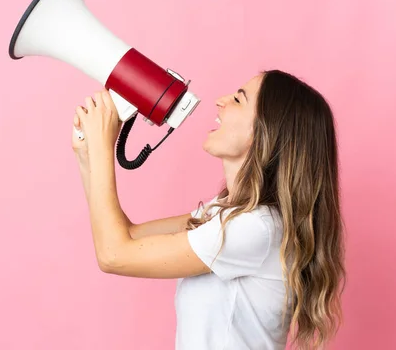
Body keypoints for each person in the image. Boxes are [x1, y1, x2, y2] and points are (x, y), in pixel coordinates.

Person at [71, 70, 346, 350]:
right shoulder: (223, 213)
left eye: (238, 100)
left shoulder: (257, 227)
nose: (220, 102)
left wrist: (103, 145)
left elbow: (114, 255)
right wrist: (87, 155)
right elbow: (129, 235)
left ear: (265, 131)